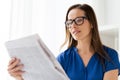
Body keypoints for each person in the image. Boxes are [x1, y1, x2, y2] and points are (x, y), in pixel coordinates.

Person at [7, 4, 120, 80]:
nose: (73, 26)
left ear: (92, 23)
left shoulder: (110, 56)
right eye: (69, 22)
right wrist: (20, 76)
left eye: (79, 20)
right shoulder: (63, 58)